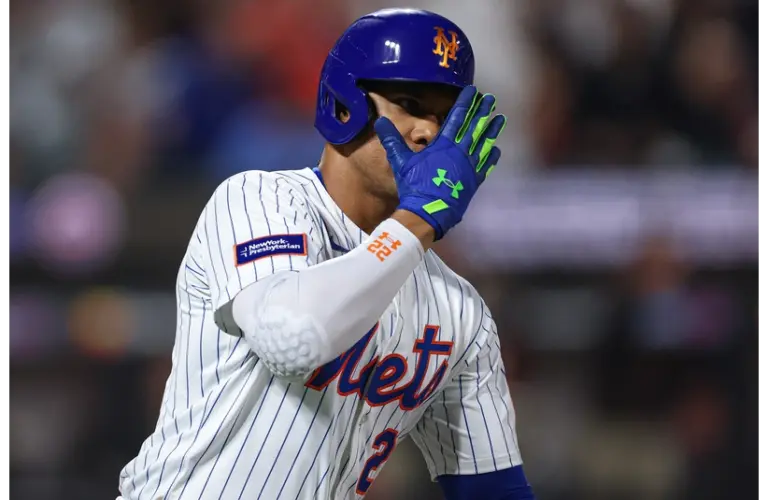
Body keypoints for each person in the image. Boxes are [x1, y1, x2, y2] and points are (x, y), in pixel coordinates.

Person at [118, 8, 534, 500]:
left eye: (444, 117)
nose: (428, 133)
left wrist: (414, 228)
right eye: (409, 102)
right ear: (344, 105)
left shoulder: (459, 311)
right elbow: (295, 339)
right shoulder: (257, 200)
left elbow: (494, 491)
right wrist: (420, 221)